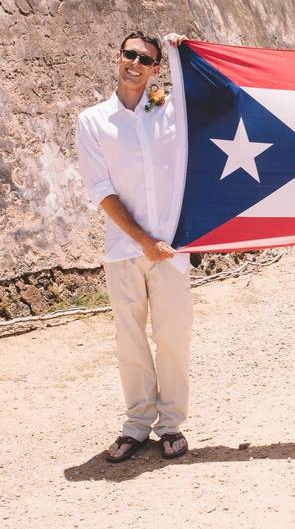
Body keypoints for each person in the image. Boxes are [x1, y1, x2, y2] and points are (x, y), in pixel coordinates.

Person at [75, 30, 194, 462]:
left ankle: (170, 426)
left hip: (172, 251)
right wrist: (143, 241)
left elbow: (212, 95)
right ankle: (136, 425)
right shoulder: (92, 120)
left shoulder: (170, 113)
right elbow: (101, 189)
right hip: (125, 249)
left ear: (155, 69)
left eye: (145, 59)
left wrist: (185, 51)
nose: (135, 64)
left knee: (173, 338)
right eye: (129, 55)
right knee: (131, 342)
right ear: (117, 57)